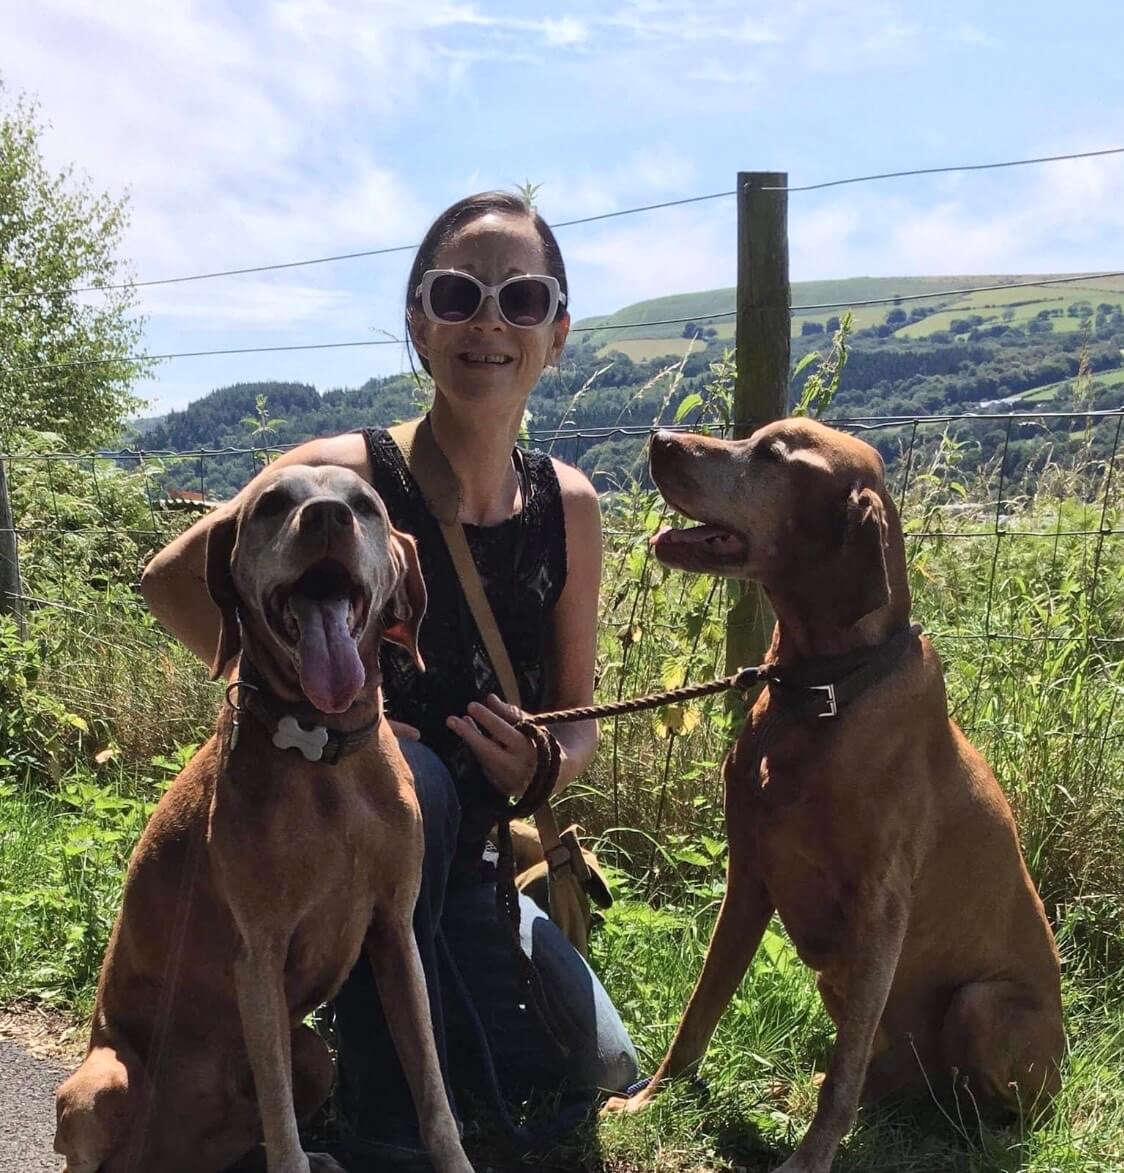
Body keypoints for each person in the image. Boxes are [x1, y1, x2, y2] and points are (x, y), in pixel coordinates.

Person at [139, 191, 638, 1168]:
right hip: (337, 845)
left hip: (473, 863)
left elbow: (575, 718)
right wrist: (308, 713)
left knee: (586, 1066)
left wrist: (546, 764)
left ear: (558, 333)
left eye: (521, 298)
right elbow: (171, 585)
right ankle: (383, 1133)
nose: (488, 319)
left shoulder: (567, 506)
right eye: (456, 294)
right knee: (421, 786)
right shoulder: (338, 477)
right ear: (418, 325)